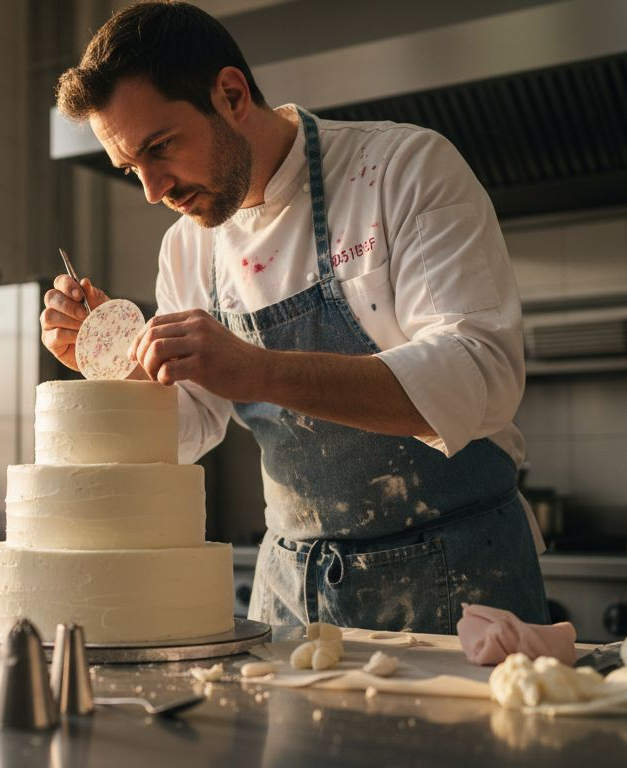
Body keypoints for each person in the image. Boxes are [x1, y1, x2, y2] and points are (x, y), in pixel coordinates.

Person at [40, 1, 548, 633]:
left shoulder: (400, 170)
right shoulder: (189, 246)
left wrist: (261, 371)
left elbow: (482, 375)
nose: (152, 189)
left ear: (230, 94)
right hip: (293, 588)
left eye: (161, 147)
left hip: (458, 574)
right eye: (130, 168)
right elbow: (192, 424)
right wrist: (115, 371)